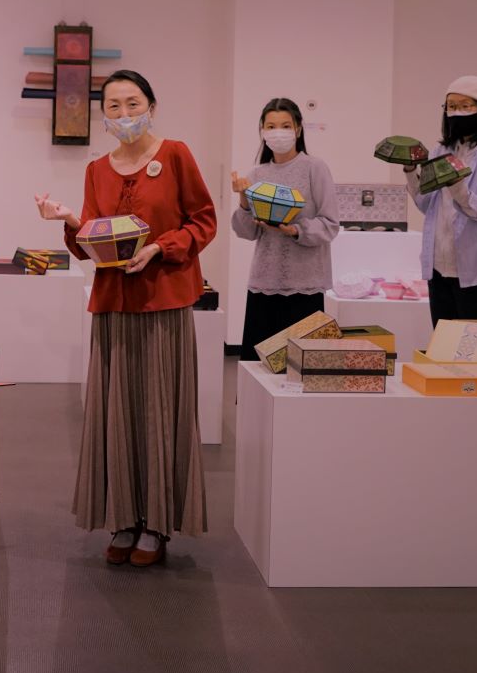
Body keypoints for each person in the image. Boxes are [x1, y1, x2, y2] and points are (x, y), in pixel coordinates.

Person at [36, 69, 215, 568]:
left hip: (163, 302)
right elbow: (92, 239)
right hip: (113, 304)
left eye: (133, 103)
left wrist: (160, 248)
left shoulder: (175, 154)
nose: (124, 114)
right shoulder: (97, 169)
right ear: (103, 115)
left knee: (158, 410)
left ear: (151, 106)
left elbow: (203, 220)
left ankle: (156, 523)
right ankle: (123, 518)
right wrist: (68, 221)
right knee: (116, 413)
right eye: (113, 106)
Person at [229, 97, 340, 355]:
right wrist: (243, 198)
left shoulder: (315, 168)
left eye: (286, 126)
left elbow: (330, 224)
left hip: (305, 286)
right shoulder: (256, 174)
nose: (278, 132)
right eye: (271, 126)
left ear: (298, 129)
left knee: (300, 366)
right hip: (263, 285)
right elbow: (247, 232)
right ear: (262, 131)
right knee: (256, 365)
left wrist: (295, 230)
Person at [407, 75, 477, 325]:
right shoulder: (441, 151)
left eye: (465, 106)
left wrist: (457, 186)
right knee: (443, 345)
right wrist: (410, 171)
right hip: (439, 268)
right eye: (451, 106)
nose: (457, 113)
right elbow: (426, 204)